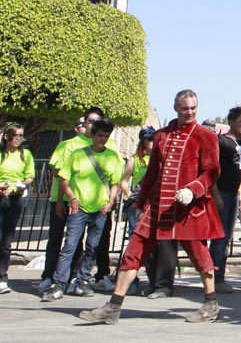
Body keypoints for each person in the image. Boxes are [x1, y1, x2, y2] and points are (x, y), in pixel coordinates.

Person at [79, 89, 224, 324]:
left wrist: (193, 189)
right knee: (133, 253)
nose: (189, 112)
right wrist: (140, 201)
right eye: (185, 108)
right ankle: (114, 306)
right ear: (175, 107)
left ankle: (211, 303)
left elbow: (212, 171)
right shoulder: (161, 136)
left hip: (188, 208)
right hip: (157, 207)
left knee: (200, 255)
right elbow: (152, 173)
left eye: (193, 108)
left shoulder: (205, 136)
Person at [42, 118, 123, 302]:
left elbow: (115, 183)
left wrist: (110, 202)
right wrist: (70, 198)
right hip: (78, 207)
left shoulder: (112, 156)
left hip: (100, 208)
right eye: (100, 135)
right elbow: (64, 179)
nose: (102, 139)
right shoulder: (77, 154)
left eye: (106, 136)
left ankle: (83, 280)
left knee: (92, 247)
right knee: (70, 245)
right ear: (93, 135)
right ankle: (59, 283)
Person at [211, 105, 241, 293]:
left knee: (227, 238)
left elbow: (240, 170)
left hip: (233, 196)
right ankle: (215, 279)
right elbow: (212, 171)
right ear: (231, 122)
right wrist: (216, 195)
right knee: (219, 237)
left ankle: (220, 276)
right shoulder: (222, 142)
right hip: (221, 194)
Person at [117, 126, 156, 295]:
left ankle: (154, 281)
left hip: (153, 204)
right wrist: (130, 197)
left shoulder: (159, 158)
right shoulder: (135, 160)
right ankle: (131, 282)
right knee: (135, 242)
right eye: (149, 140)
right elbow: (124, 181)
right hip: (138, 205)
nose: (152, 143)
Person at [0, 124, 35, 295]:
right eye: (15, 135)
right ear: (7, 136)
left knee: (6, 240)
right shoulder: (1, 154)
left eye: (21, 135)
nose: (18, 139)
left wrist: (23, 185)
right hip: (1, 194)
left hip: (15, 198)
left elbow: (29, 176)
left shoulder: (25, 154)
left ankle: (2, 276)